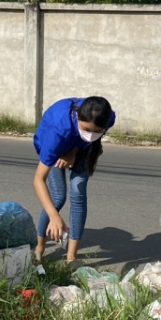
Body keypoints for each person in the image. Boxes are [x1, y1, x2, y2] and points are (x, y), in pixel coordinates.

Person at [33, 97, 115, 268]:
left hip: (80, 149)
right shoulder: (57, 131)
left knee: (78, 193)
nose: (91, 135)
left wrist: (74, 152)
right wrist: (54, 217)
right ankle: (39, 249)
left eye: (98, 131)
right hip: (56, 144)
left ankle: (71, 259)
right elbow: (39, 180)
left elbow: (87, 139)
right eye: (86, 129)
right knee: (57, 198)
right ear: (78, 117)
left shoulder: (107, 117)